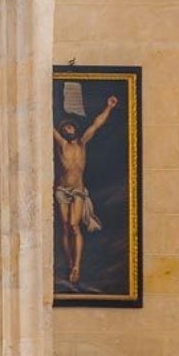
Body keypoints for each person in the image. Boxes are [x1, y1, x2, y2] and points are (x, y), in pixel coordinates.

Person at [53, 95, 118, 287]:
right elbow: (48, 127)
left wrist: (109, 107)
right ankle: (70, 262)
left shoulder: (82, 143)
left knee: (74, 226)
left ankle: (77, 266)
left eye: (70, 127)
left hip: (78, 190)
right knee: (65, 226)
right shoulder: (62, 145)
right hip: (62, 189)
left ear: (75, 129)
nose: (68, 130)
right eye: (65, 129)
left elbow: (96, 124)